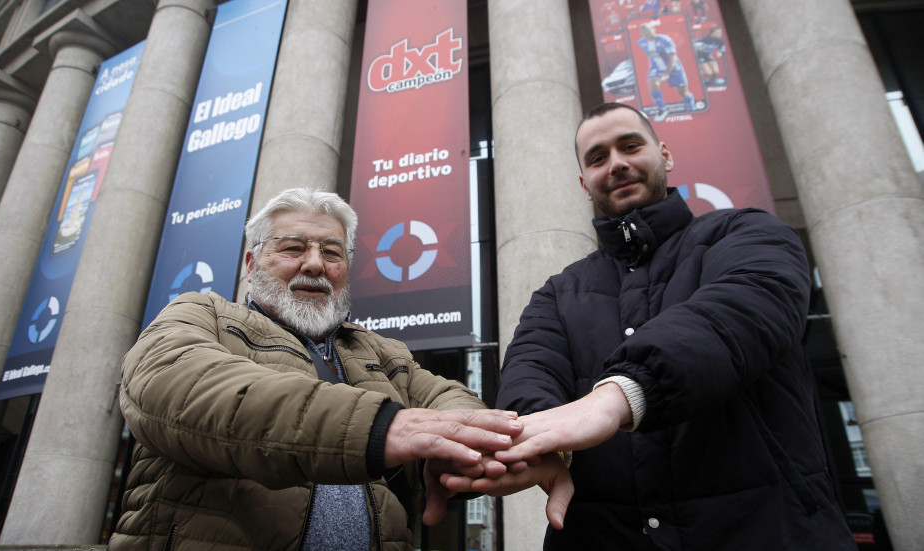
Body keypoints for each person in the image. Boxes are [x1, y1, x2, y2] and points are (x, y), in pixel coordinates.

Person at [442, 103, 856, 549]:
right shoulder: (558, 292)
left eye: (630, 146)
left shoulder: (747, 233)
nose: (616, 163)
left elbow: (743, 311)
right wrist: (537, 446)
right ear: (585, 184)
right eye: (597, 158)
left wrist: (620, 395)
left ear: (665, 156)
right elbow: (530, 372)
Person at [108, 188, 527, 551]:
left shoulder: (382, 351)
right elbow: (179, 388)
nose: (314, 264)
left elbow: (448, 399)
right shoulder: (203, 315)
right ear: (251, 264)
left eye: (331, 252)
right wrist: (383, 429)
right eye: (293, 248)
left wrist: (455, 445)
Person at [637, 22, 696, 121]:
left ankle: (691, 107)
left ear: (654, 29)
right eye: (643, 32)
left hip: (673, 68)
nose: (646, 33)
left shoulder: (665, 40)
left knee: (682, 92)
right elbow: (649, 54)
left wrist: (667, 73)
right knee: (653, 84)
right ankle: (662, 109)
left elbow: (673, 57)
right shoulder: (641, 42)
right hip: (656, 68)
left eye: (648, 30)